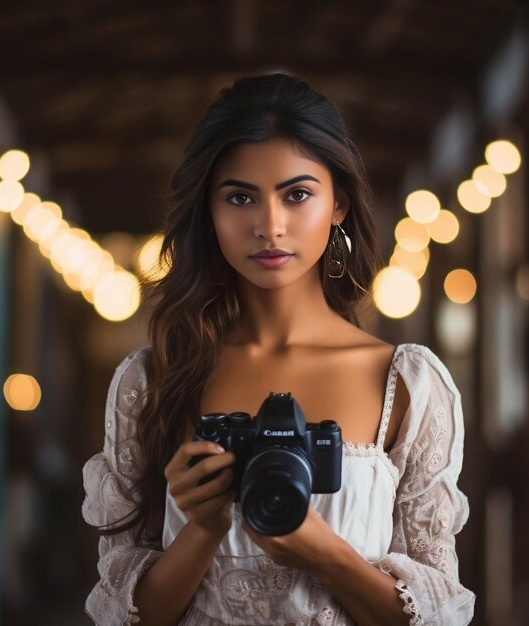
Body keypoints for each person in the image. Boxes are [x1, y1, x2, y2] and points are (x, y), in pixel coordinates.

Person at [82, 73, 475, 625]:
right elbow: (126, 618)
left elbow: (438, 616)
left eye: (297, 194)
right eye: (240, 197)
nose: (269, 226)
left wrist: (324, 554)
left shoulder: (404, 383)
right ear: (209, 212)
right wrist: (205, 527)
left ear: (337, 202)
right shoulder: (153, 380)